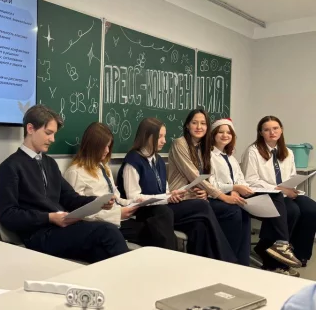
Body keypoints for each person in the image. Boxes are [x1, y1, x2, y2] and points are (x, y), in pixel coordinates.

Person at [0, 105, 129, 263]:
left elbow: (70, 198)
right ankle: (132, 276)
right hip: (38, 235)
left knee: (103, 253)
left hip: (60, 229)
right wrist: (49, 217)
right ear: (30, 129)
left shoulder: (50, 163)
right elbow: (8, 215)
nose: (52, 139)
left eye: (54, 134)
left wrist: (97, 202)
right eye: (48, 133)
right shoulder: (10, 166)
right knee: (108, 231)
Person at [116, 117, 236, 262]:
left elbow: (165, 190)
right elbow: (133, 198)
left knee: (199, 224)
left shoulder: (158, 160)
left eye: (164, 136)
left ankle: (206, 264)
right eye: (160, 137)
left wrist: (173, 195)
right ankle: (227, 260)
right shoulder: (133, 161)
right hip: (145, 211)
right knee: (202, 206)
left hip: (163, 206)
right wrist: (166, 197)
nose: (164, 141)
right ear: (147, 137)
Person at [65, 122, 178, 249]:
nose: (107, 151)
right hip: (103, 223)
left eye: (109, 146)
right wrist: (117, 214)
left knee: (161, 225)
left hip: (119, 217)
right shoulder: (75, 172)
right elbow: (77, 212)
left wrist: (131, 203)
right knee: (157, 233)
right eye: (104, 146)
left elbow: (116, 197)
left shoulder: (103, 167)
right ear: (92, 146)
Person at [210, 118, 301, 275]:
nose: (225, 135)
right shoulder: (210, 156)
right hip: (225, 196)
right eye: (220, 132)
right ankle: (280, 245)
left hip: (241, 193)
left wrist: (237, 189)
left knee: (296, 208)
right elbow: (211, 183)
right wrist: (234, 188)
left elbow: (241, 179)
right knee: (278, 200)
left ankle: (277, 251)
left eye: (228, 132)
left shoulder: (230, 157)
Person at [168, 109, 250, 265]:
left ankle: (241, 262)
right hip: (180, 198)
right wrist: (222, 196)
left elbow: (203, 178)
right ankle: (227, 260)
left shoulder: (201, 148)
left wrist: (205, 192)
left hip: (196, 198)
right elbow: (192, 175)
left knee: (240, 211)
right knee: (231, 211)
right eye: (195, 123)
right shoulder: (180, 143)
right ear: (187, 125)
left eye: (203, 123)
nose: (199, 127)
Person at [241, 115, 316, 268]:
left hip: (284, 193)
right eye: (267, 130)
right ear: (260, 133)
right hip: (262, 193)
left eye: (275, 128)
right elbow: (251, 180)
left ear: (281, 130)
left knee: (311, 209)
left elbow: (291, 175)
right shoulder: (253, 151)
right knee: (291, 210)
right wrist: (279, 189)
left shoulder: (288, 152)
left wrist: (290, 188)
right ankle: (269, 252)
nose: (272, 132)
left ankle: (299, 254)